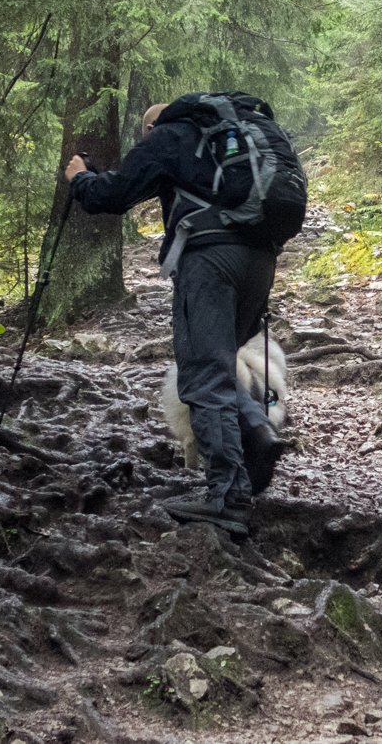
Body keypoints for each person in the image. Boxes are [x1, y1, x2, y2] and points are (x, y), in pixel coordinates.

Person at [65, 98, 289, 523]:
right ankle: (259, 430)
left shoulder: (169, 135)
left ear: (154, 126)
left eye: (147, 128)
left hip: (211, 263)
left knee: (204, 375)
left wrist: (80, 179)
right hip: (261, 261)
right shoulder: (231, 140)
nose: (147, 134)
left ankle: (226, 498)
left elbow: (111, 195)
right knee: (221, 366)